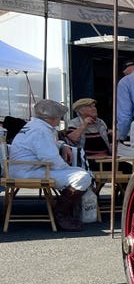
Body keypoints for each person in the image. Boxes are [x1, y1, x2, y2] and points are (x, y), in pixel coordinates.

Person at [8, 99, 92, 231]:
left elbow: (43, 146)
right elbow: (50, 158)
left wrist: (62, 145)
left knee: (79, 173)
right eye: (59, 117)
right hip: (30, 171)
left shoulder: (33, 127)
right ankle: (61, 214)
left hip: (23, 168)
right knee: (82, 176)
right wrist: (67, 169)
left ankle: (62, 211)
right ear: (51, 118)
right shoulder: (41, 131)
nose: (59, 120)